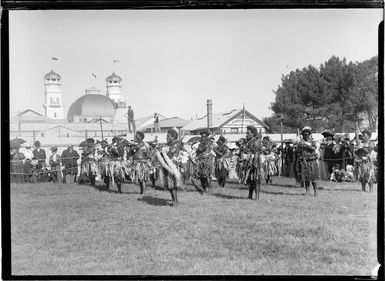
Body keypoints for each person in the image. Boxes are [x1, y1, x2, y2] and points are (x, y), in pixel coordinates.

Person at [159, 129, 184, 205]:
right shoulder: (170, 144)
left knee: (172, 184)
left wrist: (162, 152)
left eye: (168, 136)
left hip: (173, 166)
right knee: (169, 185)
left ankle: (175, 201)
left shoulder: (176, 144)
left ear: (173, 137)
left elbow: (170, 154)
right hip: (167, 166)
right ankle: (174, 200)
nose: (166, 138)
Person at [294, 127, 319, 196]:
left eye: (307, 134)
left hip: (311, 161)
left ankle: (315, 191)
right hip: (304, 162)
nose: (306, 136)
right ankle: (307, 191)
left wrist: (306, 145)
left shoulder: (312, 142)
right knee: (306, 178)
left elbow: (313, 148)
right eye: (304, 135)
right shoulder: (300, 142)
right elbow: (297, 151)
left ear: (309, 135)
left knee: (313, 178)